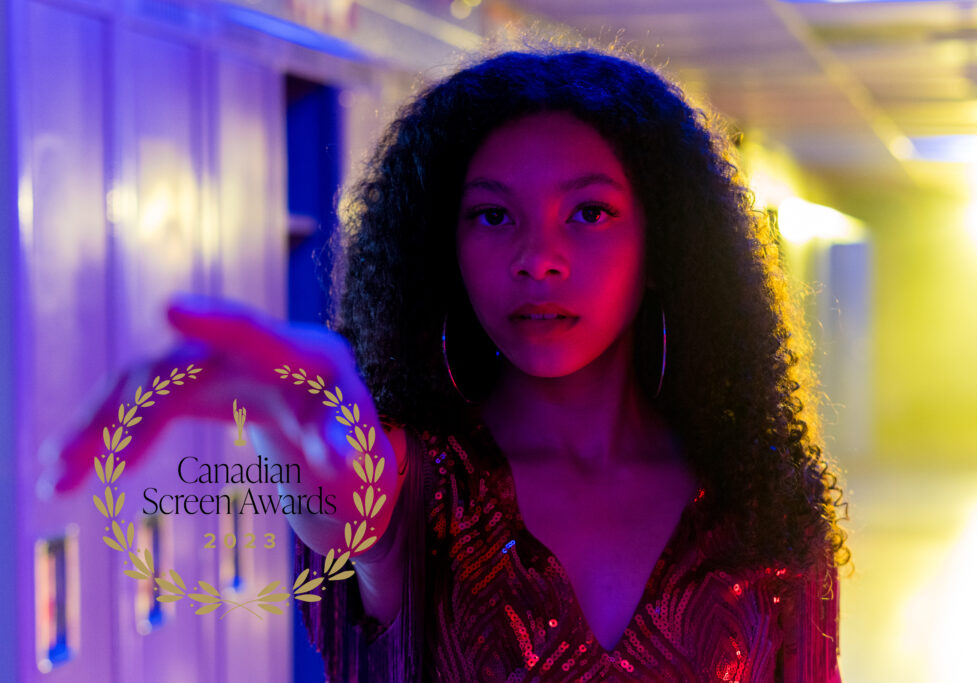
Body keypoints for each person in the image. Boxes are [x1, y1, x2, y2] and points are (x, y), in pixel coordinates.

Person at [48, 42, 848, 683]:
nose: (538, 257)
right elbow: (350, 502)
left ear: (663, 244)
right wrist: (303, 441)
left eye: (589, 212)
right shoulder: (423, 486)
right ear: (444, 249)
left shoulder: (761, 498)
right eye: (493, 216)